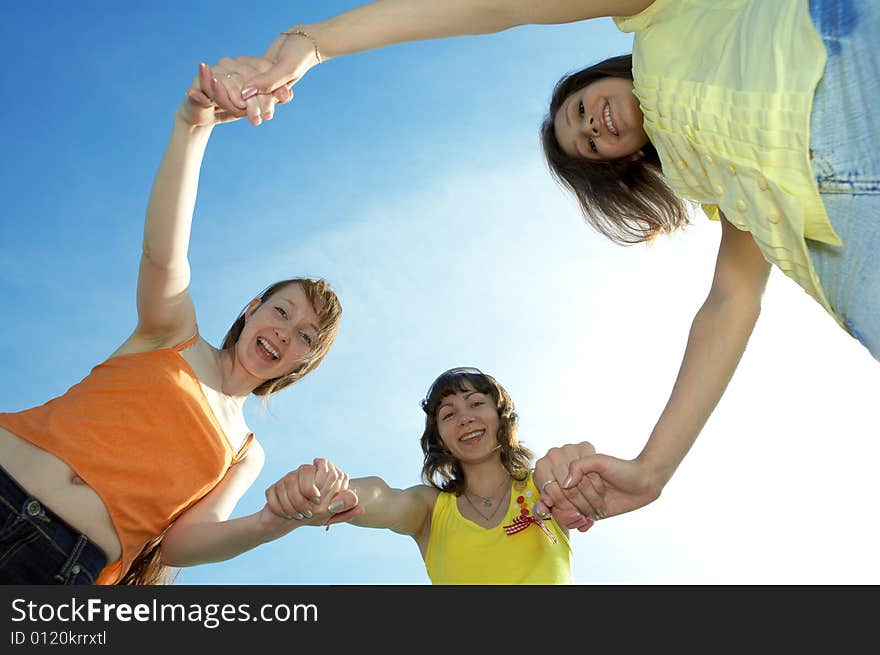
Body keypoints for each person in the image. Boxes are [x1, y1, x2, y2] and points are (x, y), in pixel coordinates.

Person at [210, 0, 878, 525]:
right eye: (588, 141)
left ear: (602, 75)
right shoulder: (711, 181)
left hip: (844, 61)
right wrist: (653, 467)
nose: (594, 125)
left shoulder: (660, 14)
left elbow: (502, 5)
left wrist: (317, 40)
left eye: (583, 108)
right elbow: (731, 302)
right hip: (845, 252)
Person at [0, 55, 361, 585]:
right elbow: (164, 256)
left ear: (305, 360)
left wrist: (270, 522)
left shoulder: (244, 451)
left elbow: (182, 542)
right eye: (281, 311)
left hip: (61, 572)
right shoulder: (172, 333)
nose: (284, 331)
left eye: (305, 335)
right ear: (250, 311)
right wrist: (191, 129)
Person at [265, 367, 600, 584]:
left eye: (476, 403)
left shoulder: (542, 484)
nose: (465, 418)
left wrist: (580, 468)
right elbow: (384, 497)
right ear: (439, 438)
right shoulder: (430, 510)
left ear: (501, 417)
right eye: (449, 413)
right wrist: (337, 489)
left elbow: (579, 476)